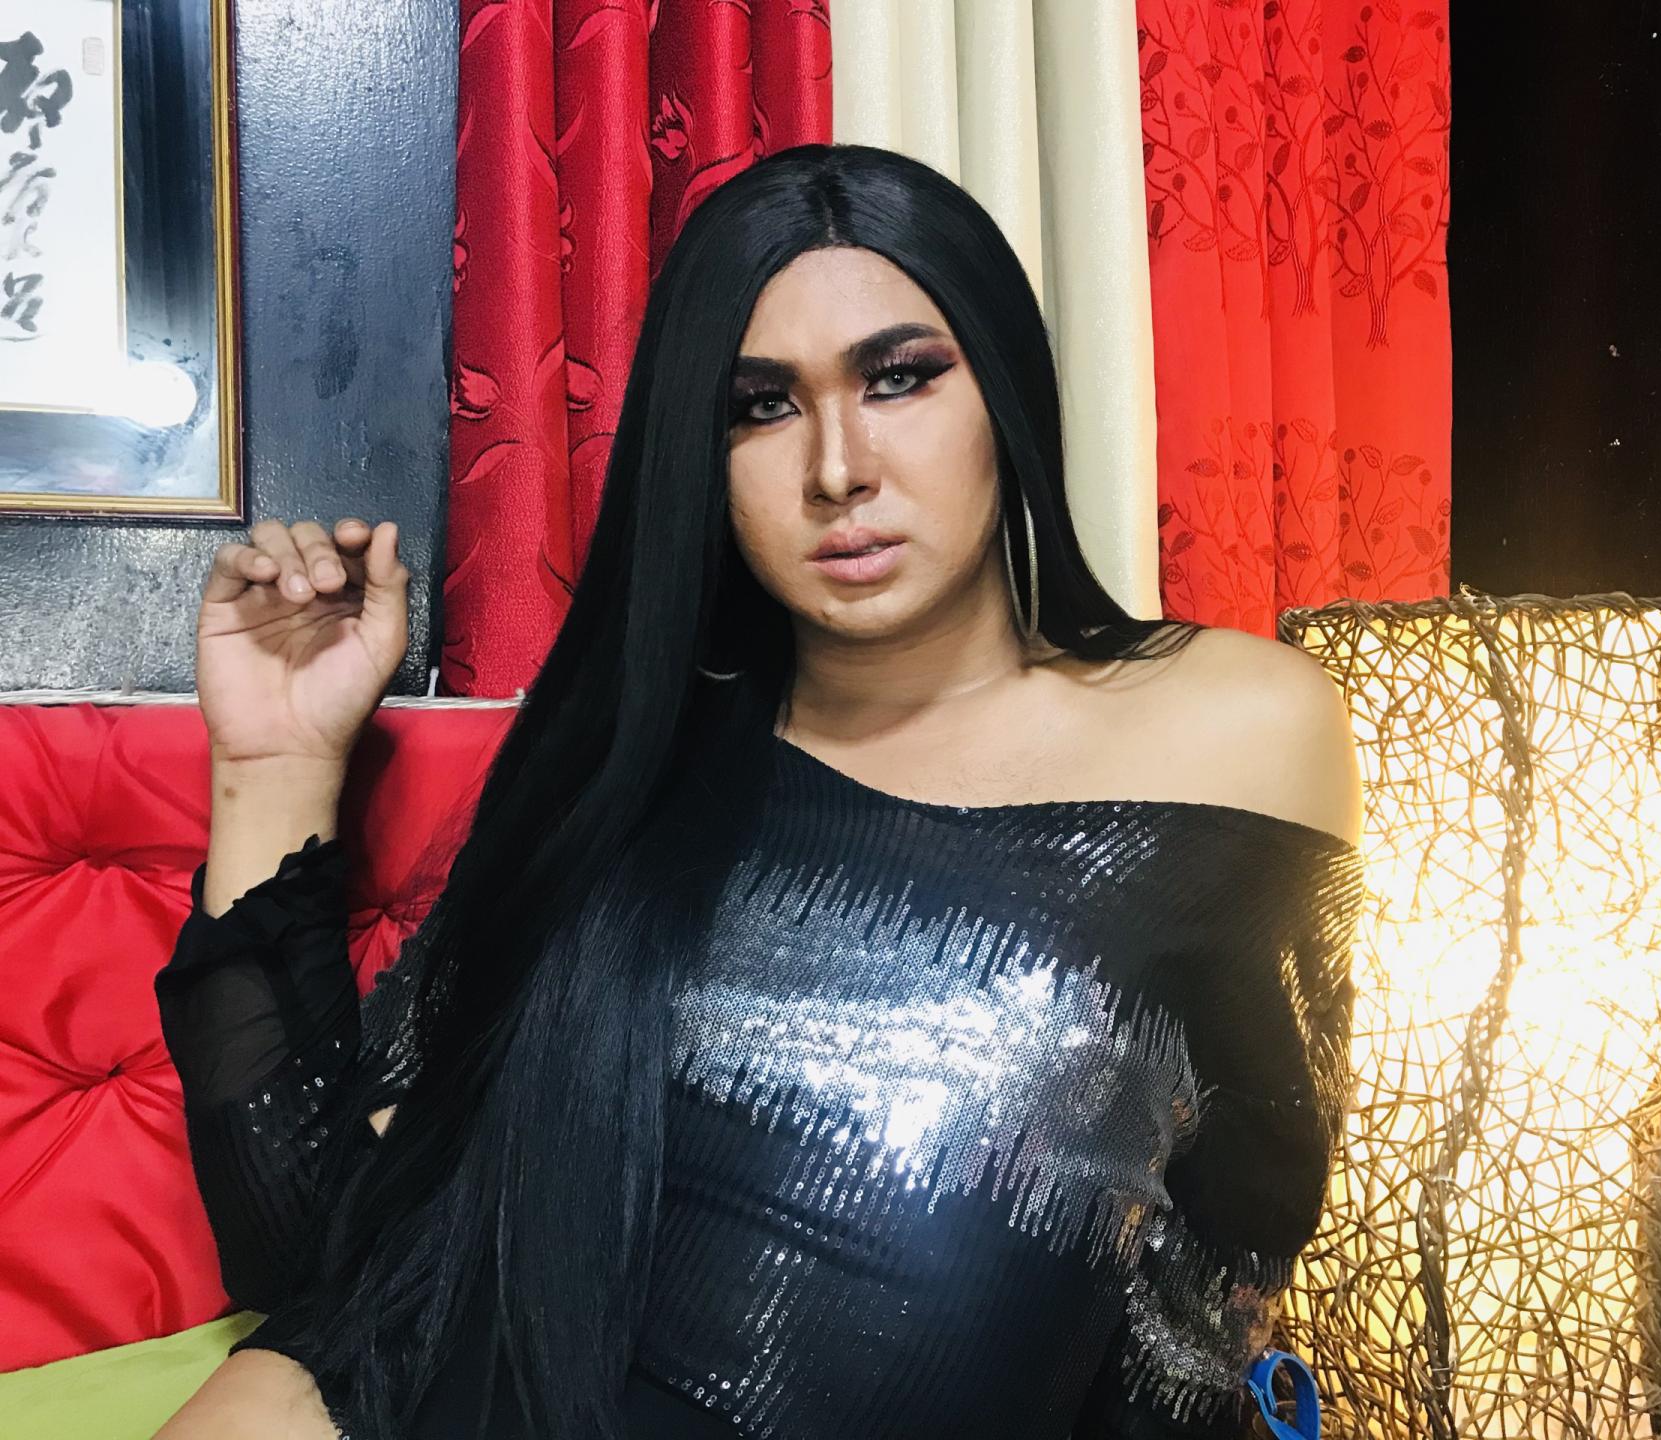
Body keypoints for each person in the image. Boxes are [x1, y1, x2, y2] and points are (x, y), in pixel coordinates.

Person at [151, 143, 1366, 1440]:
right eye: (761, 406)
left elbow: (1238, 1252)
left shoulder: (1236, 730)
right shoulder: (625, 770)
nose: (838, 468)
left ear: (1005, 389)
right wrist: (276, 764)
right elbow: (314, 1241)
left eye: (899, 378)